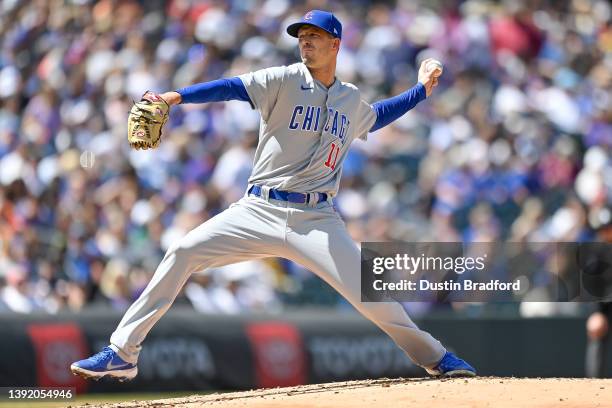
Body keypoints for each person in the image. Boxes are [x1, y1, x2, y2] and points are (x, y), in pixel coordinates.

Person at [71, 10, 475, 381]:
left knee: (373, 296)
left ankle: (436, 358)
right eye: (301, 36)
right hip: (259, 209)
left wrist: (421, 89)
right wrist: (175, 97)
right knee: (182, 252)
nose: (305, 42)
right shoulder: (283, 79)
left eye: (314, 36)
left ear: (335, 44)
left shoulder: (350, 99)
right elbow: (230, 87)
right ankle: (122, 352)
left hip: (317, 221)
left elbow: (379, 116)